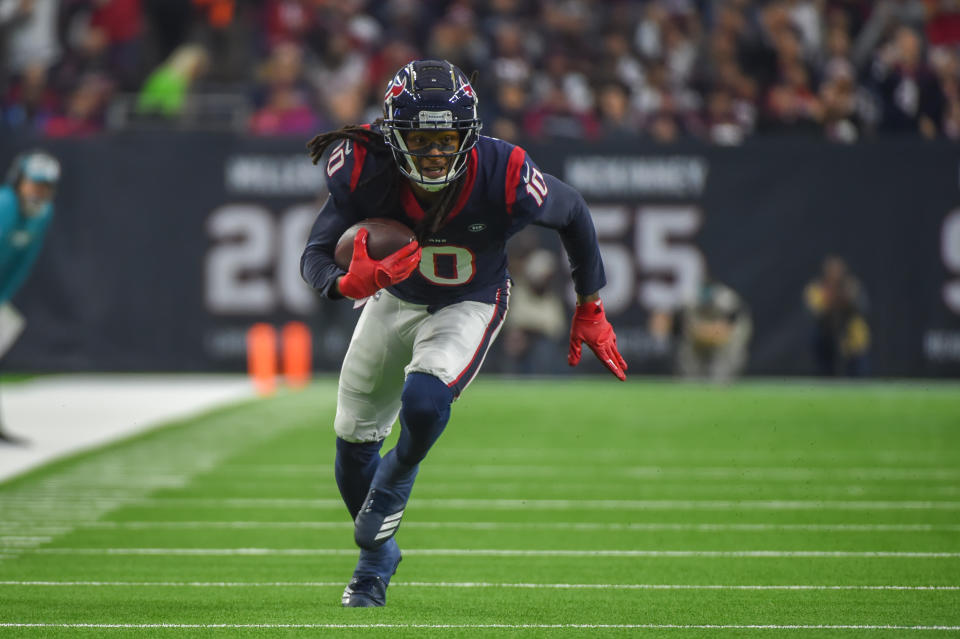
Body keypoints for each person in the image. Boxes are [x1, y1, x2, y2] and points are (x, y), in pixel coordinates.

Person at [300, 59, 626, 608]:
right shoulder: (364, 166)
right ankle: (378, 557)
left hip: (469, 300)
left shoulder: (501, 171)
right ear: (394, 134)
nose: (433, 153)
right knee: (353, 445)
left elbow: (572, 212)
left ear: (467, 136)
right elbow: (313, 255)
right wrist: (343, 284)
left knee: (423, 402)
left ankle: (400, 471)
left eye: (445, 139)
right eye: (421, 139)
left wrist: (590, 305)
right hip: (392, 300)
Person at [0, 149, 60, 444]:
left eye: (45, 187)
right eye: (33, 184)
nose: (38, 193)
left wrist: (1, 298)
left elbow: (23, 264)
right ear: (18, 182)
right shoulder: (5, 206)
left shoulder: (42, 214)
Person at [804, 255, 870, 376]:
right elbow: (817, 311)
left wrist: (846, 298)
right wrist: (830, 298)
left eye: (837, 270)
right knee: (820, 348)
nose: (835, 274)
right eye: (831, 270)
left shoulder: (851, 286)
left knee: (857, 365)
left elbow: (861, 307)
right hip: (826, 332)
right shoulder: (818, 288)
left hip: (850, 332)